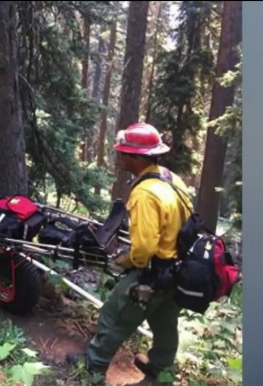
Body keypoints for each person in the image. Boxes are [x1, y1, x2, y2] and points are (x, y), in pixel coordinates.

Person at [67, 123, 193, 386]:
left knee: (114, 315)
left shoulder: (145, 193)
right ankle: (161, 369)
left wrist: (125, 260)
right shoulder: (171, 178)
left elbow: (144, 249)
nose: (119, 157)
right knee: (165, 320)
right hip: (180, 268)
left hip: (154, 272)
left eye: (122, 153)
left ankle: (93, 368)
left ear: (135, 157)